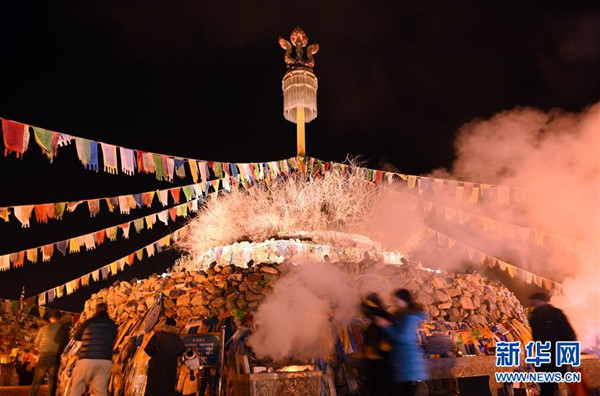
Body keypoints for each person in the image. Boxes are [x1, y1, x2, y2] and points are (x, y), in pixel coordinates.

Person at [375, 289, 428, 396]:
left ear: (402, 299)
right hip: (403, 366)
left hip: (409, 367)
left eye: (395, 299)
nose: (394, 302)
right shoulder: (401, 316)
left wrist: (386, 326)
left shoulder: (410, 317)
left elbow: (403, 338)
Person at [528, 292, 576, 396]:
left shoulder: (555, 314)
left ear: (540, 300)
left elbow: (569, 336)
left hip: (555, 357)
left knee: (565, 386)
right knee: (548, 387)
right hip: (545, 359)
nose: (534, 304)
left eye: (535, 301)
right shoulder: (534, 316)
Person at [70, 303, 117, 396]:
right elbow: (114, 339)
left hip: (87, 359)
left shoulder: (89, 322)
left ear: (96, 310)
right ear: (106, 310)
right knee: (101, 391)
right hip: (105, 361)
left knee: (77, 386)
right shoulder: (112, 324)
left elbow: (76, 336)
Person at [30, 310, 69, 396]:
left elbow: (36, 343)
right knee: (52, 382)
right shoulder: (64, 330)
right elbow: (66, 344)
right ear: (60, 318)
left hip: (44, 356)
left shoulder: (44, 328)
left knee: (37, 381)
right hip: (56, 357)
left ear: (51, 318)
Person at [360, 293, 392, 396]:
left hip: (379, 371)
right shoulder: (380, 320)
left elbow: (382, 350)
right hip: (379, 370)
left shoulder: (380, 322)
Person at [144, 317, 186, 396]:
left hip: (155, 369)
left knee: (153, 389)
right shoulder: (175, 338)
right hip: (169, 368)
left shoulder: (157, 335)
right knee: (167, 389)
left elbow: (148, 350)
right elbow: (181, 350)